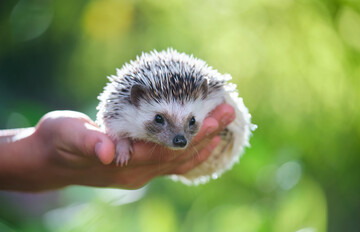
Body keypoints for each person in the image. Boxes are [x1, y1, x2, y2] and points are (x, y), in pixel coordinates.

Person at [0, 104, 235, 192]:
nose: (180, 138)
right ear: (136, 101)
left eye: (191, 123)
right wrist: (38, 152)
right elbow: (113, 127)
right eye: (160, 120)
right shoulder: (120, 115)